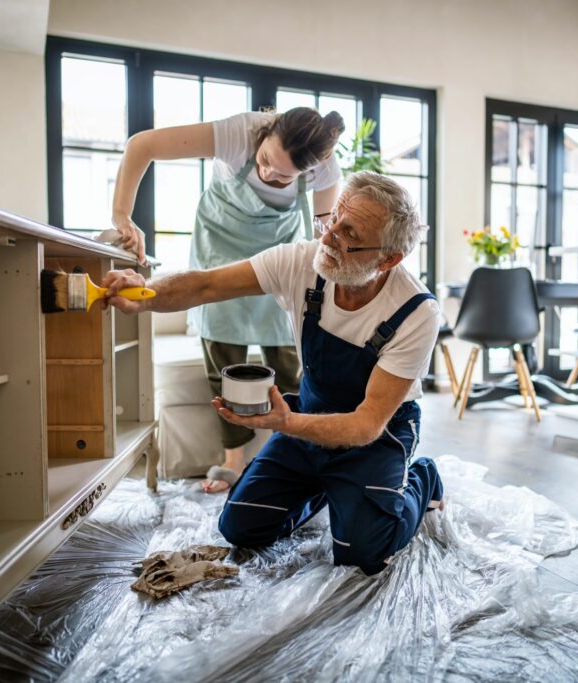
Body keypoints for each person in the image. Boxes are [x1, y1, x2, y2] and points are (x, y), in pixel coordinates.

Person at [101, 171, 444, 575]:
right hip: (310, 414)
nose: (329, 236)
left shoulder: (416, 312)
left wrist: (286, 422)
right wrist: (145, 294)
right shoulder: (303, 262)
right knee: (241, 528)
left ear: (388, 259)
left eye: (348, 233)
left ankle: (424, 478)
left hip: (377, 435)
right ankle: (326, 486)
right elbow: (207, 286)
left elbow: (367, 424)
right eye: (331, 219)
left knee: (364, 554)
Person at [110, 107, 345, 493]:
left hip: (278, 255)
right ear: (265, 134)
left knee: (289, 364)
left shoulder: (325, 168)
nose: (270, 174)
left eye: (285, 176)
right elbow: (143, 145)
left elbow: (322, 235)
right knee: (224, 360)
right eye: (267, 161)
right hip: (220, 247)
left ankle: (296, 457)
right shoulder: (238, 134)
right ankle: (233, 458)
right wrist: (123, 215)